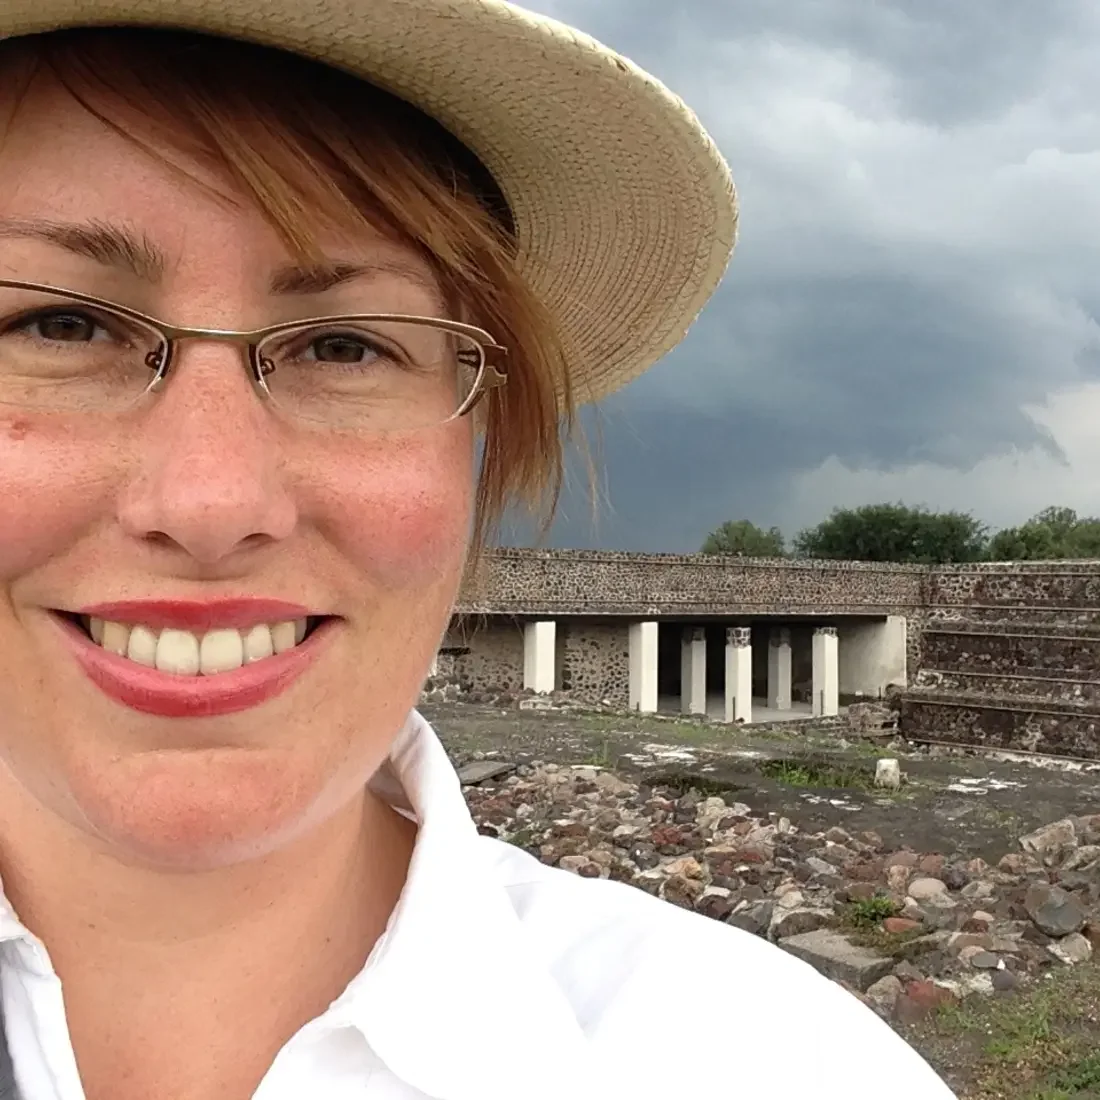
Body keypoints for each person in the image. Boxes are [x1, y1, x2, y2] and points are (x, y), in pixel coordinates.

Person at [0, 2, 955, 1097]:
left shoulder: (778, 1064)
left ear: (477, 452)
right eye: (59, 326)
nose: (212, 500)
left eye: (345, 344)